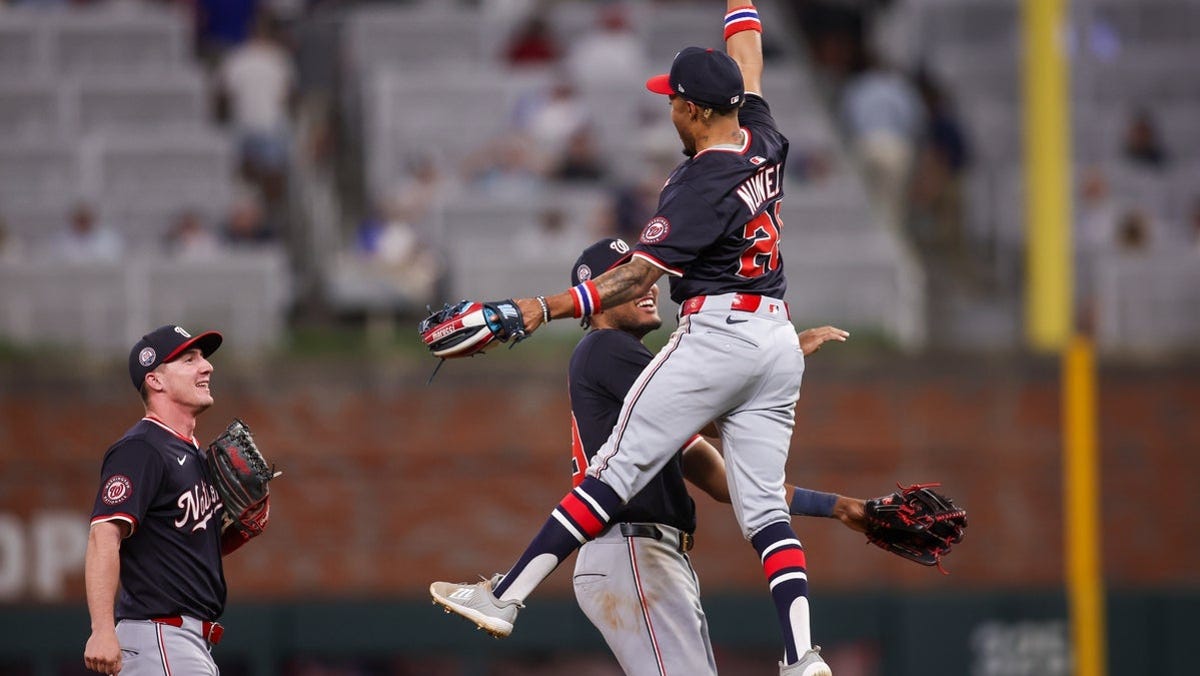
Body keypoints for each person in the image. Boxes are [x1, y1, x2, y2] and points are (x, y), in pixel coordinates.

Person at [431, 4, 837, 673]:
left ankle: (507, 595)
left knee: (612, 470)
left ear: (697, 113)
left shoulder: (700, 182)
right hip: (777, 339)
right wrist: (742, 7)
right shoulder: (761, 132)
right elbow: (750, 56)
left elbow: (634, 279)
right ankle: (802, 657)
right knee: (765, 510)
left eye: (674, 100)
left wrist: (541, 307)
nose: (669, 109)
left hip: (719, 332)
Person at [564, 238, 864, 674]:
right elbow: (707, 413)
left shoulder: (640, 391)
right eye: (627, 280)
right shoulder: (606, 347)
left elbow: (728, 483)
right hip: (630, 547)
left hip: (646, 554)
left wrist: (835, 506)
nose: (648, 286)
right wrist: (777, 359)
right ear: (595, 303)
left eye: (647, 276)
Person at [84, 325, 259, 675]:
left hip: (184, 641)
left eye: (203, 358)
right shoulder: (143, 448)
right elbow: (103, 535)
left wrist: (236, 533)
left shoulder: (192, 453)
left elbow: (177, 548)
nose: (206, 366)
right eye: (189, 359)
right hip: (160, 636)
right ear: (156, 381)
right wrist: (101, 630)